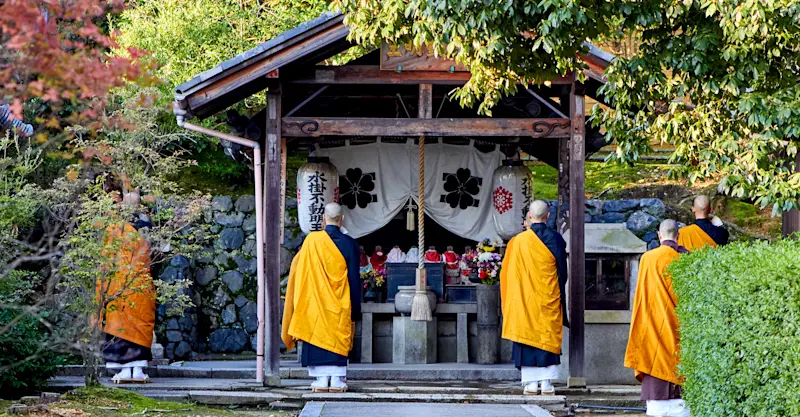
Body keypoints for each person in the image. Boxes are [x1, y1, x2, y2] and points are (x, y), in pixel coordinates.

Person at [281, 203, 361, 393]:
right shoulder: (351, 244)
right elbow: (354, 280)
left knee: (316, 333)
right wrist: (356, 307)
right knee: (337, 337)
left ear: (323, 220)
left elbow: (299, 270)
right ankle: (337, 381)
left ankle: (320, 379)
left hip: (315, 303)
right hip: (340, 303)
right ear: (342, 220)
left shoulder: (311, 241)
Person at [501, 200, 569, 396]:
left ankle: (530, 385)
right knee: (547, 334)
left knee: (527, 336)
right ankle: (546, 384)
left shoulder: (518, 242)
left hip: (524, 300)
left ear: (529, 217)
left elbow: (508, 274)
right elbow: (562, 274)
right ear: (548, 217)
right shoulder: (556, 239)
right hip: (548, 298)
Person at [625, 219, 690, 417]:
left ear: (659, 235)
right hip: (679, 328)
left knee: (656, 366)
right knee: (680, 365)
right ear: (678, 236)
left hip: (652, 326)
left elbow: (643, 297)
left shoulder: (648, 259)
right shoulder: (686, 259)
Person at [98, 189, 156, 383]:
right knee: (137, 324)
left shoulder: (115, 228)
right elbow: (155, 256)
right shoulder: (146, 226)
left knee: (121, 325)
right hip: (139, 283)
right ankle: (137, 369)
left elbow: (106, 259)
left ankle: (126, 370)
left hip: (120, 283)